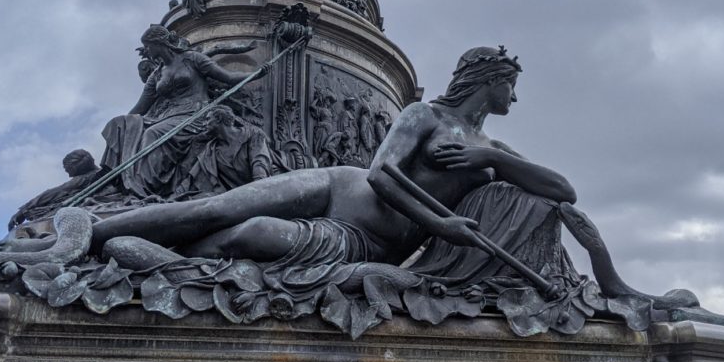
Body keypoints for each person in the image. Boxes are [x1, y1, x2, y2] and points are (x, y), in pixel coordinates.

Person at [91, 46, 577, 268]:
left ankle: (169, 258)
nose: (514, 98)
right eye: (510, 86)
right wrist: (441, 224)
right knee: (214, 208)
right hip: (341, 186)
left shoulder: (493, 152)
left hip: (370, 242)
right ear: (490, 81)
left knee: (256, 234)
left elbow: (562, 190)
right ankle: (87, 237)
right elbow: (382, 174)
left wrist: (488, 163)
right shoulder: (423, 114)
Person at [99, 24, 268, 199]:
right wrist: (126, 125)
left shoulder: (192, 59)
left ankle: (142, 188)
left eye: (148, 45)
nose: (146, 50)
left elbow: (228, 77)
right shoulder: (156, 75)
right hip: (165, 117)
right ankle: (113, 182)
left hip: (195, 114)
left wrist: (257, 74)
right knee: (118, 124)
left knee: (153, 133)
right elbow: (140, 108)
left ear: (159, 42)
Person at [172, 106, 272, 199]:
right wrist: (171, 199)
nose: (203, 124)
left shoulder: (253, 135)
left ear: (219, 119)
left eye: (207, 119)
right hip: (226, 197)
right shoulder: (211, 149)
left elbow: (260, 167)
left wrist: (256, 194)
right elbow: (191, 178)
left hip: (254, 194)